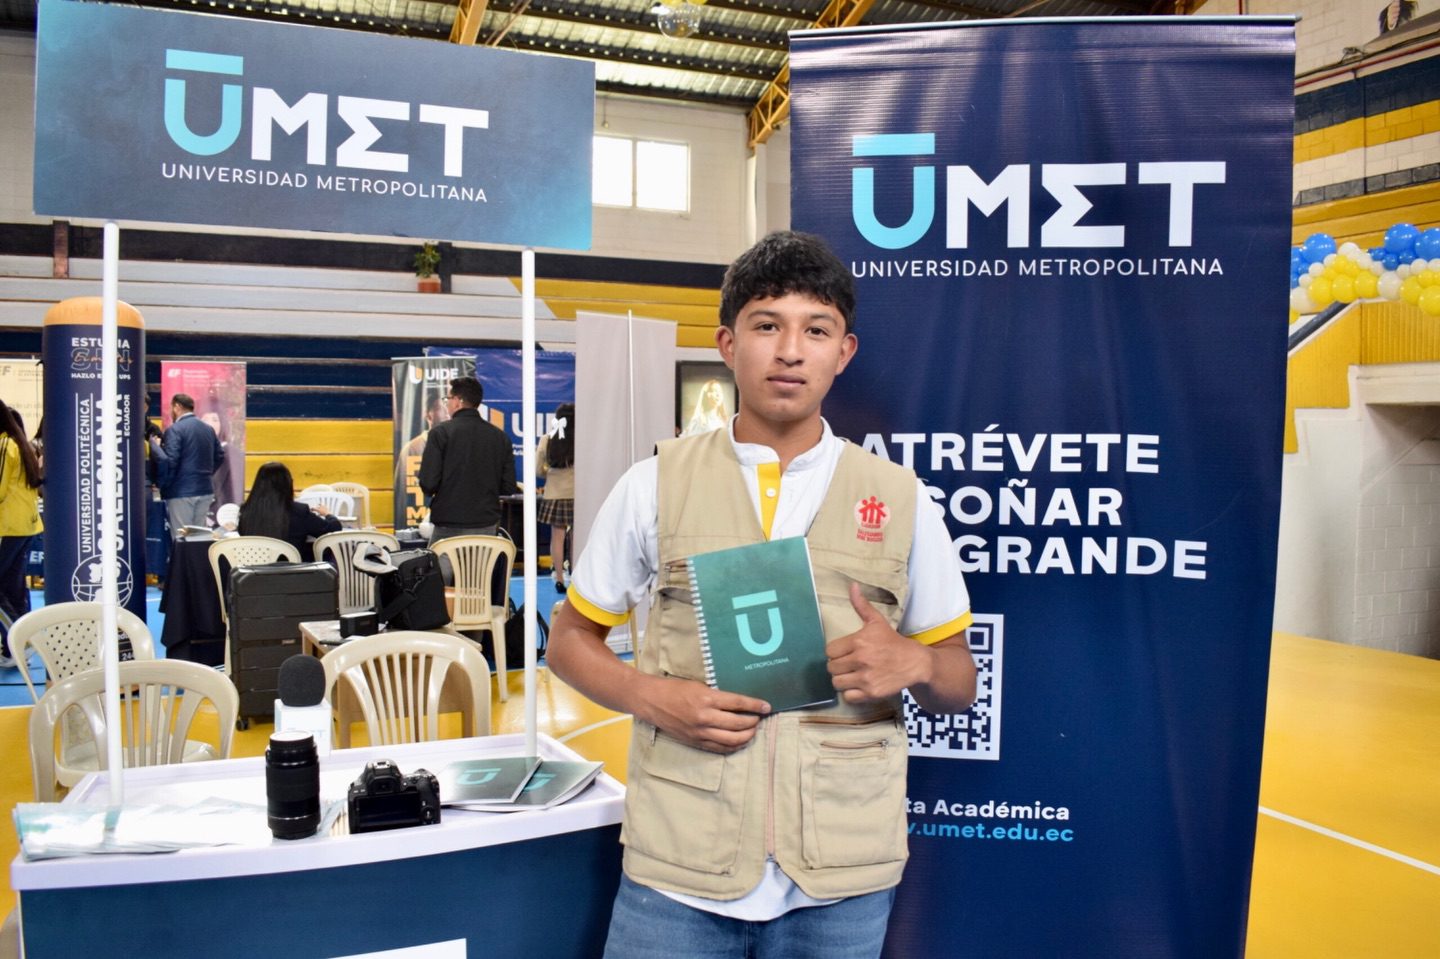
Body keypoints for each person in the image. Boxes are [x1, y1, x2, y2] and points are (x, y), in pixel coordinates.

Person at [547, 231, 978, 959]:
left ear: (844, 352)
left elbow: (959, 681)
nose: (790, 351)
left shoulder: (901, 499)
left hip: (841, 876)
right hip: (679, 866)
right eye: (767, 325)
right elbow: (567, 641)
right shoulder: (654, 484)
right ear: (728, 342)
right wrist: (651, 696)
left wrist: (917, 663)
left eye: (817, 330)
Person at [417, 376, 516, 545]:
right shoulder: (500, 437)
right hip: (486, 522)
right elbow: (508, 486)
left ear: (458, 401)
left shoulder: (440, 433)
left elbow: (428, 483)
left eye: (448, 399)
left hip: (448, 522)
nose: (447, 404)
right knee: (481, 563)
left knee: (441, 562)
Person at [0, 400, 43, 666]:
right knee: (12, 586)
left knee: (8, 587)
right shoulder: (21, 444)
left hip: (9, 526)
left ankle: (17, 641)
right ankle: (17, 646)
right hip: (25, 525)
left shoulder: (6, 445)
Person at [149, 392, 225, 537]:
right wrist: (206, 473)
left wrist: (163, 485)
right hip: (205, 489)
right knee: (199, 536)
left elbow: (171, 461)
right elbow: (220, 455)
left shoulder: (175, 430)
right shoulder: (208, 429)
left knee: (181, 537)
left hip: (181, 492)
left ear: (177, 407)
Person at [237, 462, 341, 562]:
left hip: (253, 572)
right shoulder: (300, 511)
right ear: (288, 484)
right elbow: (333, 530)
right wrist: (328, 514)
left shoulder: (245, 512)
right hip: (292, 572)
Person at [537, 402, 575, 591]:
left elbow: (538, 469)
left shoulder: (547, 439)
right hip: (577, 494)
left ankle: (559, 578)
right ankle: (576, 578)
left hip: (554, 494)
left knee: (557, 538)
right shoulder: (580, 439)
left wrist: (550, 474)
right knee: (576, 538)